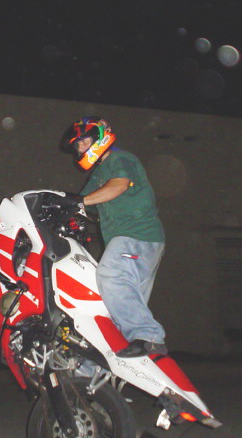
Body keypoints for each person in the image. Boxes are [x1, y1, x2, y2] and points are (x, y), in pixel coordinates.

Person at [61, 116, 167, 358]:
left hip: (136, 235)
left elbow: (118, 185)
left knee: (110, 275)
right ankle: (125, 360)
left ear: (100, 136)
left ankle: (149, 336)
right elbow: (79, 203)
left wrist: (80, 202)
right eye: (78, 146)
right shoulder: (99, 173)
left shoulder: (120, 159)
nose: (81, 148)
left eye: (84, 141)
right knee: (120, 301)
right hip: (142, 241)